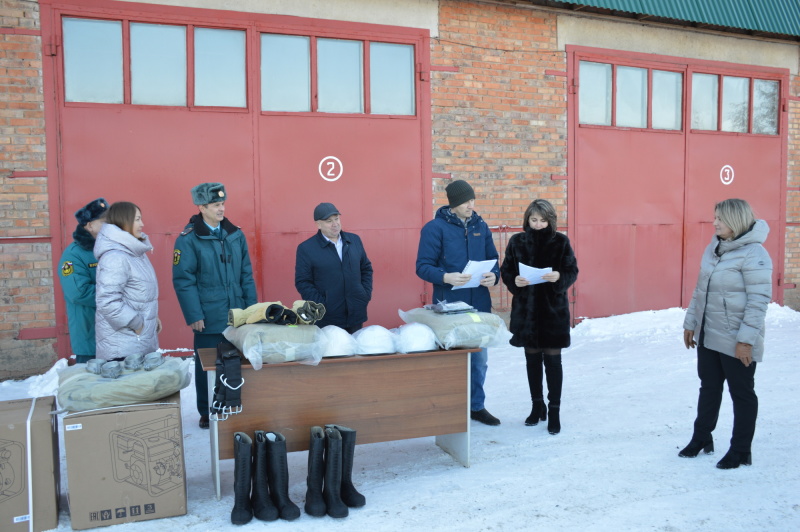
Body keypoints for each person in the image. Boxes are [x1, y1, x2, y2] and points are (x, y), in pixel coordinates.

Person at [681, 198, 772, 469]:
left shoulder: (755, 254)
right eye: (715, 217)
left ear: (735, 220)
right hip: (709, 335)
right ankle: (701, 438)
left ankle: (741, 449)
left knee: (742, 393)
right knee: (708, 388)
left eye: (720, 218)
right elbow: (701, 290)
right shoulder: (715, 248)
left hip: (736, 340)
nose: (715, 222)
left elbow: (758, 302)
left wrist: (745, 341)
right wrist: (691, 323)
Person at [416, 179, 501, 426]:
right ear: (453, 204)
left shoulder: (480, 225)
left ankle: (476, 406)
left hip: (479, 306)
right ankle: (449, 409)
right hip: (450, 305)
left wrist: (493, 276)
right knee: (452, 359)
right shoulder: (434, 228)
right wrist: (445, 276)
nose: (471, 205)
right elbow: (422, 266)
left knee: (479, 359)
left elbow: (493, 259)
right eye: (466, 201)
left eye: (473, 200)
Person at [173, 182, 257, 429]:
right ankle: (206, 410)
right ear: (202, 207)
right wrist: (193, 314)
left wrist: (252, 311)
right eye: (216, 205)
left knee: (237, 362)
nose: (222, 209)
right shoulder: (188, 239)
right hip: (208, 316)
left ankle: (234, 405)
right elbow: (183, 280)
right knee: (206, 366)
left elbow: (246, 275)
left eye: (223, 204)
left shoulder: (235, 234)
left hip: (237, 314)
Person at [500, 199, 578, 435]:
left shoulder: (560, 242)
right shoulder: (517, 241)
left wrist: (558, 277)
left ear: (550, 220)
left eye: (542, 220)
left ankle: (554, 411)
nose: (537, 224)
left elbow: (572, 270)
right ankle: (537, 407)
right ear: (527, 219)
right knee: (532, 360)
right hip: (527, 311)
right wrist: (515, 280)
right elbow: (507, 270)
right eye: (533, 220)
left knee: (553, 363)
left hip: (553, 311)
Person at [94, 201, 161, 361]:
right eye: (137, 219)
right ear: (125, 221)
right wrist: (137, 323)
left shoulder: (135, 252)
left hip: (136, 343)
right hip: (123, 347)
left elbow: (139, 294)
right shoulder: (116, 257)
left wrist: (152, 318)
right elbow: (107, 302)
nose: (142, 224)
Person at [295, 203, 373, 334]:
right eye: (328, 221)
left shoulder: (354, 241)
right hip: (327, 319)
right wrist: (322, 305)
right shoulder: (306, 248)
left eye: (336, 219)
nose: (335, 224)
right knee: (332, 353)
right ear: (318, 224)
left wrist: (364, 294)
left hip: (355, 314)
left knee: (355, 353)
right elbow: (303, 282)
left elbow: (366, 269)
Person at [57, 198, 108, 364]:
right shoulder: (73, 255)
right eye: (104, 222)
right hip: (90, 337)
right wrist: (115, 295)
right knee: (92, 387)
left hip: (116, 335)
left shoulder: (112, 248)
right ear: (89, 225)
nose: (110, 226)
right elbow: (79, 292)